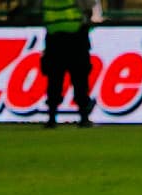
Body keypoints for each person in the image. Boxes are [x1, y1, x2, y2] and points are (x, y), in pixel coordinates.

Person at [41, 0, 94, 128]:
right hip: (76, 37)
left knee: (54, 79)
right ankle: (84, 117)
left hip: (54, 37)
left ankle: (52, 118)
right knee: (80, 77)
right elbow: (88, 7)